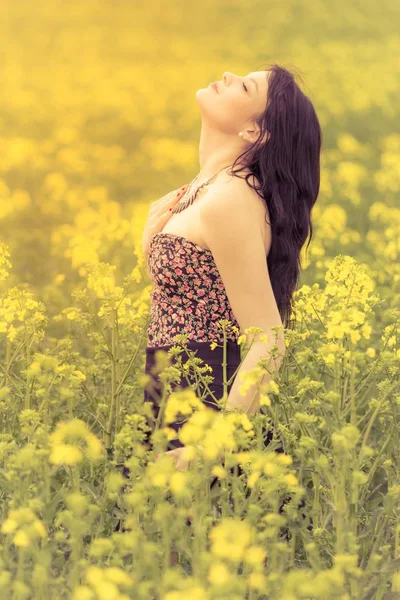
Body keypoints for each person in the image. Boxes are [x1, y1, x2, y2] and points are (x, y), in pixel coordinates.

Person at [116, 64, 321, 544]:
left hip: (208, 410)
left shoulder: (230, 198)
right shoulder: (202, 192)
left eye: (245, 86)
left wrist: (208, 446)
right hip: (171, 398)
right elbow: (191, 294)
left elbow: (268, 339)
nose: (228, 74)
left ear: (255, 129)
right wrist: (150, 239)